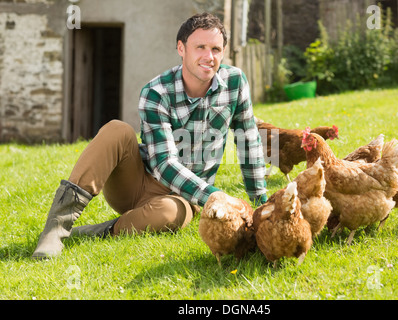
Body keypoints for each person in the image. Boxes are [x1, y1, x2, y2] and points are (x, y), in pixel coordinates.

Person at [32, 12, 268, 259]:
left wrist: (260, 203)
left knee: (169, 214)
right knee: (117, 129)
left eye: (216, 49)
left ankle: (98, 231)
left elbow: (247, 139)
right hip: (139, 183)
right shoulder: (156, 92)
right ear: (181, 48)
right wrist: (216, 196)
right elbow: (164, 163)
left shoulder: (235, 82)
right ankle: (57, 227)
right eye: (200, 47)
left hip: (185, 199)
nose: (209, 57)